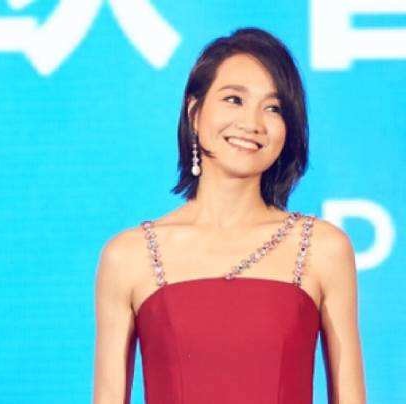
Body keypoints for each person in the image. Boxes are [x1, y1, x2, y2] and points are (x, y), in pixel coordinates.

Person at [93, 28, 366, 403]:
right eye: (234, 99)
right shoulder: (129, 256)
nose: (252, 122)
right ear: (194, 112)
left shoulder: (322, 248)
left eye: (273, 108)